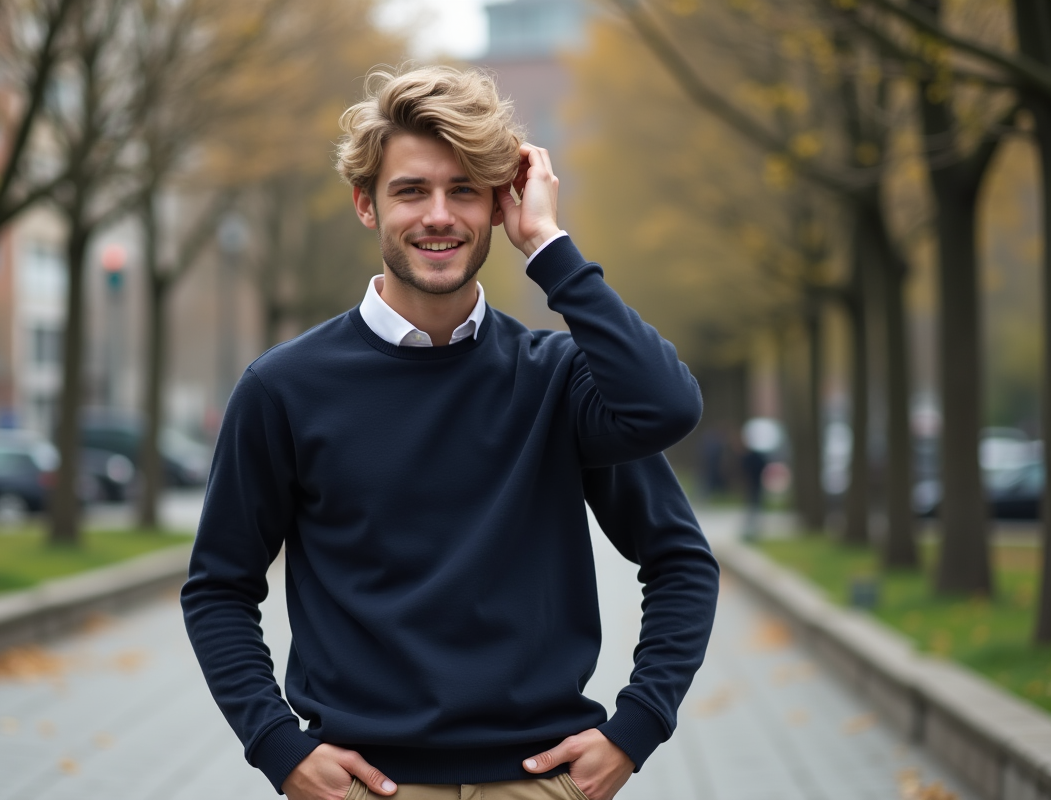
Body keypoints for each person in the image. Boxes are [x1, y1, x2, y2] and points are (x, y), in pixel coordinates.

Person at [182, 65, 719, 800]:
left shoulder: (559, 379)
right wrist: (278, 747)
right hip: (367, 787)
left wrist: (638, 726)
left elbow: (671, 441)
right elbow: (219, 587)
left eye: (464, 190)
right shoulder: (284, 388)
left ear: (499, 205)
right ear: (366, 205)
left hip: (541, 783)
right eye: (411, 190)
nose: (438, 215)